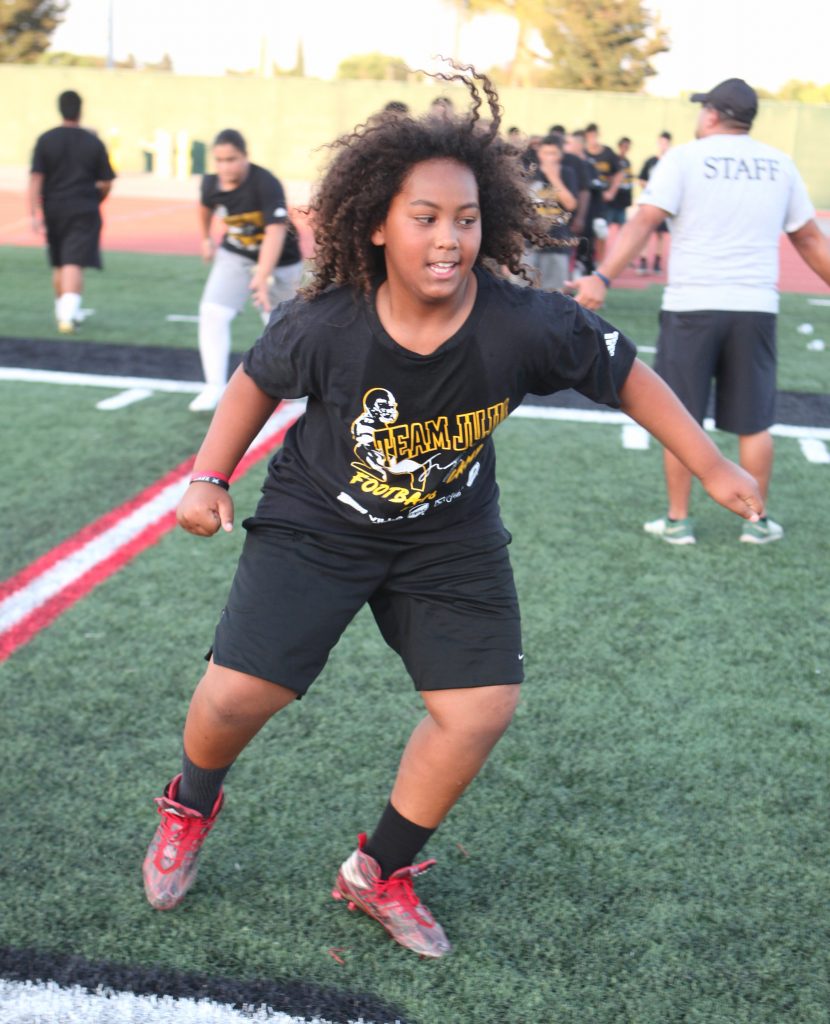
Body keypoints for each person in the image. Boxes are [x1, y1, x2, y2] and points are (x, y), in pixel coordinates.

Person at [142, 65, 764, 960]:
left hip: (448, 534)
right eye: (425, 218)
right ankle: (190, 803)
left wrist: (709, 464)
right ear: (377, 224)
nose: (448, 239)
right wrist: (210, 476)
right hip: (320, 519)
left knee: (478, 708)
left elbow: (627, 375)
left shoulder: (526, 322)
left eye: (466, 220)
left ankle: (378, 870)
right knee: (240, 691)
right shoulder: (329, 322)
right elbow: (255, 382)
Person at [570, 78, 830, 545]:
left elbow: (644, 221)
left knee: (682, 419)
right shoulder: (780, 164)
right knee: (755, 423)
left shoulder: (683, 159)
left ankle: (678, 521)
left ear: (711, 114)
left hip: (691, 306)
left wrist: (602, 277)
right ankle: (757, 522)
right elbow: (810, 239)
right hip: (754, 307)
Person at [190, 129, 304, 413]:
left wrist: (262, 276)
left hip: (282, 259)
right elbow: (205, 207)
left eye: (231, 159)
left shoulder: (265, 183)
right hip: (237, 254)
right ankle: (213, 386)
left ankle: (297, 385)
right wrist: (205, 238)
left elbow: (276, 231)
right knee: (213, 313)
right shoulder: (211, 184)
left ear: (245, 157)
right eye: (219, 160)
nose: (225, 167)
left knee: (281, 324)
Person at [28, 90, 116, 334]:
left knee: (59, 261)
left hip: (53, 208)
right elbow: (106, 181)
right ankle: (67, 317)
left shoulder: (46, 139)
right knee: (73, 262)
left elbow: (36, 178)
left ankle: (63, 311)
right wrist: (98, 198)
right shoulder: (93, 142)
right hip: (83, 208)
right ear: (80, 110)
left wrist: (33, 213)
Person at [524, 134, 578, 291]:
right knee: (522, 290)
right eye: (546, 153)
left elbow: (570, 204)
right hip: (528, 242)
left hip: (557, 241)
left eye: (553, 153)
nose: (549, 157)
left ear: (561, 154)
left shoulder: (567, 173)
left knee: (554, 292)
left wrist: (553, 177)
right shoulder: (529, 173)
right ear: (539, 153)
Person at [582, 123, 621, 268]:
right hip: (586, 200)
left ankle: (601, 263)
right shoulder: (583, 153)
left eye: (594, 135)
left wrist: (611, 192)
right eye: (589, 136)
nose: (592, 139)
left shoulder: (607, 153)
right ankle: (584, 261)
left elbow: (619, 172)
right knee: (585, 233)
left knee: (601, 231)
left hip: (602, 200)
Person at [636, 131, 672, 274]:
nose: (663, 146)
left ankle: (657, 260)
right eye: (661, 143)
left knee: (661, 233)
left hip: (664, 202)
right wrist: (651, 188)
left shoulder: (671, 162)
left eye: (666, 143)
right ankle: (643, 260)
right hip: (650, 201)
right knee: (646, 231)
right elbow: (641, 179)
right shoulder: (651, 161)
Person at [605, 136, 634, 244]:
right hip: (613, 200)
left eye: (628, 147)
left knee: (623, 229)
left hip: (622, 200)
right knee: (605, 228)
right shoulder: (613, 160)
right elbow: (608, 177)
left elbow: (629, 182)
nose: (625, 149)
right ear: (619, 146)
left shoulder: (627, 162)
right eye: (624, 146)